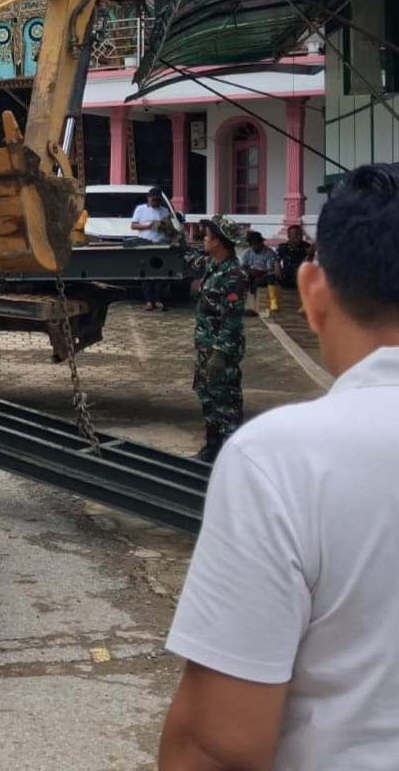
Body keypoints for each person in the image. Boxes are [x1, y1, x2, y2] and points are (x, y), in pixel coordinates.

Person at [159, 163, 399, 771]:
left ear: (312, 290)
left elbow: (218, 743)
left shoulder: (284, 460)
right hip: (209, 351)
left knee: (221, 404)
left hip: (224, 356)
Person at [189, 215, 246, 463]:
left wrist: (220, 353)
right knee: (207, 395)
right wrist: (171, 238)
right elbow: (189, 259)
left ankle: (233, 456)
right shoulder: (213, 264)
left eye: (207, 236)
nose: (204, 239)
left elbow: (232, 318)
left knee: (227, 402)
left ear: (219, 242)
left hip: (220, 350)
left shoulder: (234, 275)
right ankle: (212, 447)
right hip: (205, 347)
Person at [131, 187, 173, 310]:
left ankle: (157, 299)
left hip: (160, 243)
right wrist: (148, 226)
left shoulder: (164, 211)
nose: (155, 203)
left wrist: (163, 227)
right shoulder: (140, 209)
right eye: (153, 200)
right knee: (146, 273)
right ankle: (148, 300)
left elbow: (170, 228)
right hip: (145, 242)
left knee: (159, 273)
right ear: (148, 199)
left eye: (157, 201)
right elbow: (133, 225)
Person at [240, 229, 281, 315]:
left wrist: (261, 273)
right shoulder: (246, 253)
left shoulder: (269, 252)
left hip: (265, 274)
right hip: (250, 274)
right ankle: (243, 306)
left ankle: (258, 306)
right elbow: (243, 267)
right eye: (252, 244)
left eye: (255, 243)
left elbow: (271, 268)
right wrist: (249, 271)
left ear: (261, 242)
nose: (254, 246)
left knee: (267, 278)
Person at [275, 223, 312, 294]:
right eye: (296, 234)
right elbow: (276, 258)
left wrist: (310, 254)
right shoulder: (283, 247)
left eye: (301, 234)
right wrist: (277, 265)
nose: (300, 237)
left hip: (300, 277)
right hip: (285, 277)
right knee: (271, 275)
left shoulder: (307, 247)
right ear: (289, 236)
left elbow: (308, 262)